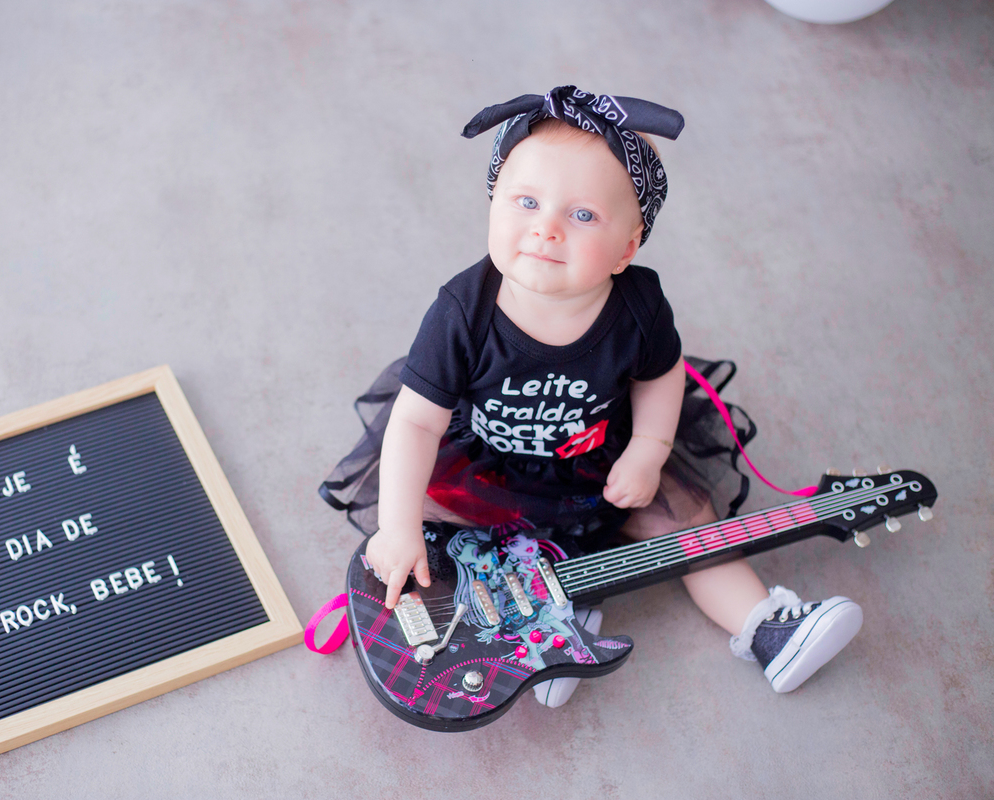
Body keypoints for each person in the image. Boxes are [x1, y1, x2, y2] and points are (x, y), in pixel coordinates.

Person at [320, 87, 862, 702]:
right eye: (525, 202)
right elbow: (415, 424)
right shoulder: (461, 312)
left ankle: (767, 626)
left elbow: (661, 374)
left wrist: (651, 449)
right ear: (492, 206)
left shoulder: (638, 305)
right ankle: (543, 644)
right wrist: (397, 526)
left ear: (627, 248)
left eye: (582, 216)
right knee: (456, 546)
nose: (546, 228)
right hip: (486, 466)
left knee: (685, 522)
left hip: (601, 456)